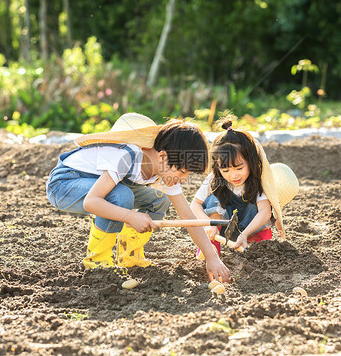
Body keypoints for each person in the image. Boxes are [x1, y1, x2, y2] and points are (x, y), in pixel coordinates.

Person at [46, 112, 230, 283]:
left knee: (159, 199)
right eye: (182, 171)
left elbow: (188, 216)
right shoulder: (127, 157)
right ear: (163, 157)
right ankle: (98, 263)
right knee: (121, 195)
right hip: (64, 183)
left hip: (96, 185)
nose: (184, 178)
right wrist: (130, 216)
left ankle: (129, 255)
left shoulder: (165, 171)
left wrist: (211, 257)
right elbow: (92, 202)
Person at [190, 118, 299, 257]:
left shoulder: (258, 180)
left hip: (251, 228)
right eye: (226, 170)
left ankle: (256, 244)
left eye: (239, 168)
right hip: (224, 228)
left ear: (250, 161)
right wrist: (208, 224)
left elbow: (265, 212)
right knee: (214, 199)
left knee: (255, 206)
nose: (233, 175)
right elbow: (195, 204)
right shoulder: (215, 178)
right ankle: (211, 249)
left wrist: (245, 234)